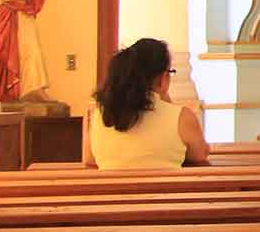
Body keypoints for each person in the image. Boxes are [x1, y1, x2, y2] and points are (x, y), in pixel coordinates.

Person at [84, 38, 208, 169]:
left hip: (109, 189)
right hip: (164, 189)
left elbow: (90, 160)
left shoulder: (99, 113)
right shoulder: (182, 117)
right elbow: (200, 155)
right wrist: (166, 100)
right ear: (162, 78)